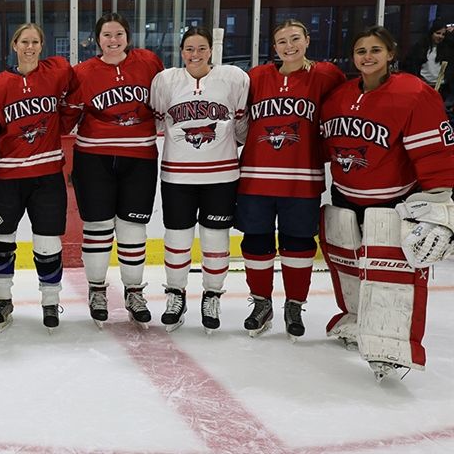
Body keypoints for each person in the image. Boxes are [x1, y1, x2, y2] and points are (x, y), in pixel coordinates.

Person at [319, 25, 454, 382]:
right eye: (361, 50)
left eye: (375, 50)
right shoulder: (339, 97)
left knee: (392, 277)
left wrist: (440, 203)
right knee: (348, 266)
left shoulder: (414, 94)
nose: (367, 56)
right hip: (345, 197)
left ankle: (392, 346)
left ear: (391, 54)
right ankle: (356, 319)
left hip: (394, 202)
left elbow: (435, 154)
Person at [237, 19, 345, 340]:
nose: (289, 46)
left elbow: (346, 109)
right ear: (274, 47)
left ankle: (294, 305)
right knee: (256, 242)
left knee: (298, 244)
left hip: (302, 179)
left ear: (307, 40)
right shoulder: (257, 77)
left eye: (295, 39)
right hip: (256, 177)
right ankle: (261, 304)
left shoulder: (325, 76)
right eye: (282, 41)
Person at [63, 13, 164, 329]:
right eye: (107, 35)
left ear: (128, 36)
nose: (113, 40)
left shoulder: (148, 62)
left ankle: (134, 291)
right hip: (95, 160)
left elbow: (163, 104)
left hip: (140, 158)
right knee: (98, 227)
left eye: (119, 33)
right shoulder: (82, 73)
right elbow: (68, 119)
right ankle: (97, 290)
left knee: (133, 228)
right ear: (97, 39)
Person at [150, 26, 250, 334]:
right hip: (177, 175)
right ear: (181, 51)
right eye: (190, 48)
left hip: (221, 175)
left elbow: (242, 125)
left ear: (211, 50)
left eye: (201, 48)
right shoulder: (165, 81)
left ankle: (212, 295)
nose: (196, 54)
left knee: (215, 239)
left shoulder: (233, 78)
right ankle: (175, 295)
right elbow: (157, 121)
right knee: (177, 240)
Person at [0, 23, 73, 332]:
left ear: (42, 45)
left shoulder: (57, 72)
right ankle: (2, 300)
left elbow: (74, 97)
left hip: (47, 176)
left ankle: (50, 301)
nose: (30, 47)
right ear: (14, 45)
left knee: (47, 243)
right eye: (25, 41)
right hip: (7, 176)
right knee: (1, 241)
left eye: (35, 41)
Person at [401, 18, 454, 114]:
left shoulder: (448, 48)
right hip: (424, 86)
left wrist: (451, 33)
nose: (440, 36)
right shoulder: (420, 47)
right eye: (438, 33)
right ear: (431, 33)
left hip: (442, 88)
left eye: (443, 34)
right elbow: (409, 65)